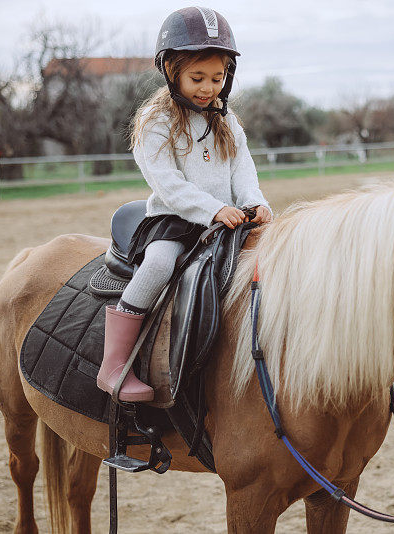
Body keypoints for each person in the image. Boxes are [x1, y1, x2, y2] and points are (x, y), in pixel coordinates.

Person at [97, 6, 272, 402]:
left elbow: (243, 169)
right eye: (197, 78)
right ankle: (115, 365)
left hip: (228, 220)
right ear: (171, 70)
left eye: (218, 77)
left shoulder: (226, 120)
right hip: (176, 221)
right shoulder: (156, 121)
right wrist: (211, 208)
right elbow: (169, 184)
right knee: (159, 263)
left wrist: (254, 202)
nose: (208, 87)